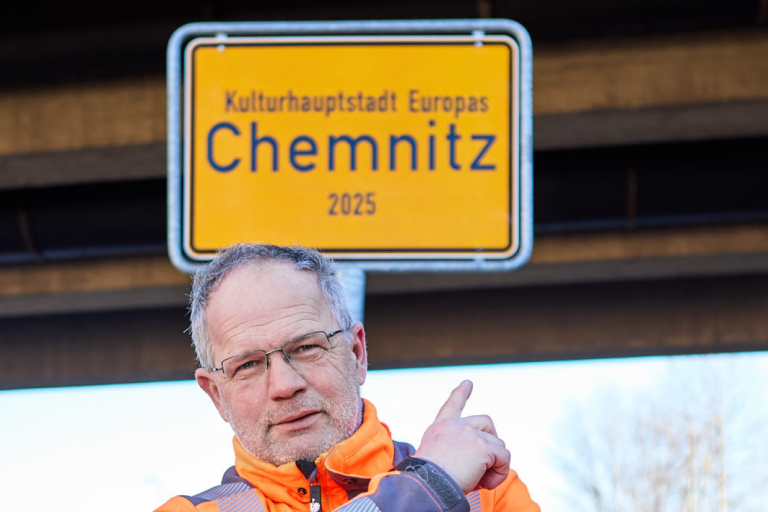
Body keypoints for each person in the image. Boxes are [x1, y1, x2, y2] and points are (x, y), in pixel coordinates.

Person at [155, 244, 539, 512]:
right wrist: (427, 489)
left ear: (357, 353)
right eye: (248, 365)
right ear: (216, 395)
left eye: (306, 347)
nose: (285, 385)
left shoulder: (485, 494)